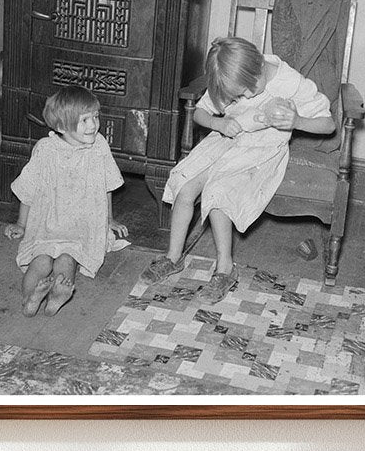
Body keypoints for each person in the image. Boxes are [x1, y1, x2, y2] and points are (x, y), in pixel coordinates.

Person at [141, 36, 335, 304]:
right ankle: (173, 257)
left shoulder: (288, 82)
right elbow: (200, 114)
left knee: (219, 194)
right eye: (236, 95)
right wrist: (219, 124)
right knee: (185, 185)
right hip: (225, 139)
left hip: (261, 148)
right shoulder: (230, 77)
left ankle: (225, 269)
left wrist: (297, 120)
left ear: (257, 68)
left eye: (245, 90)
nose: (243, 97)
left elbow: (328, 124)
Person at [4, 85, 128, 317]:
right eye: (84, 120)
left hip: (81, 226)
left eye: (95, 117)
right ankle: (29, 298)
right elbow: (28, 189)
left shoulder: (99, 146)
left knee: (66, 259)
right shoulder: (45, 150)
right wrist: (21, 224)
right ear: (61, 126)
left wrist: (109, 219)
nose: (93, 125)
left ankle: (56, 297)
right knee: (39, 260)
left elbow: (106, 185)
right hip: (47, 223)